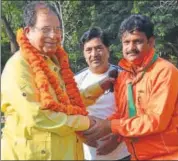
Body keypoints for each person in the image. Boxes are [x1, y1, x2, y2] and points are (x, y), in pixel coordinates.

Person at [1, 2, 114, 160]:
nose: (54, 35)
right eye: (46, 29)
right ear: (28, 31)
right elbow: (37, 115)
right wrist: (86, 123)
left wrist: (98, 88)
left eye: (57, 29)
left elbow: (66, 104)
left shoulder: (54, 63)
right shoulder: (18, 67)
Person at [82, 14, 178, 160]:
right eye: (126, 42)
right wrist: (98, 127)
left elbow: (156, 121)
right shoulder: (124, 75)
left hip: (166, 155)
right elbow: (124, 115)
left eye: (137, 41)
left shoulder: (164, 71)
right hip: (136, 156)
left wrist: (109, 126)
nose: (131, 47)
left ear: (151, 42)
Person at [75, 27, 130, 160]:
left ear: (108, 50)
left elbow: (133, 112)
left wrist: (117, 138)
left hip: (123, 154)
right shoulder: (76, 81)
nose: (94, 54)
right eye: (89, 50)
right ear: (84, 53)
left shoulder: (124, 76)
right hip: (89, 155)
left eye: (99, 48)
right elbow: (71, 114)